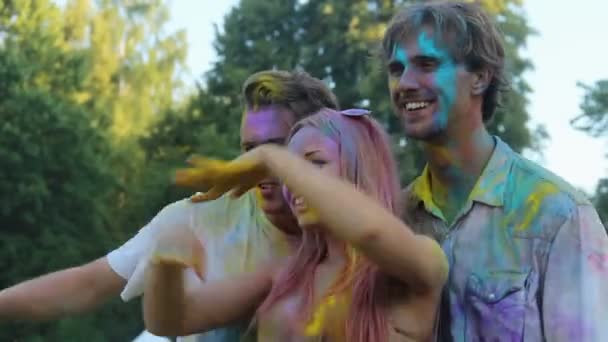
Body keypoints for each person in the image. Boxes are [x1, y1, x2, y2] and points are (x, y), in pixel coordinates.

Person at [0, 70, 339, 341]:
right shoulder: (197, 219)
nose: (254, 164)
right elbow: (86, 286)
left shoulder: (361, 229)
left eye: (275, 148)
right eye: (247, 148)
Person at [381, 1, 608, 340]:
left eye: (426, 64)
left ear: (480, 78)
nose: (405, 83)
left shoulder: (557, 216)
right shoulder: (393, 221)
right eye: (396, 69)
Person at [143, 108, 449, 341]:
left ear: (361, 171)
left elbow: (370, 231)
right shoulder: (283, 276)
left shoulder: (419, 263)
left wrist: (269, 157)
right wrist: (166, 264)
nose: (292, 185)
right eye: (288, 174)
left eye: (314, 165)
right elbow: (170, 321)